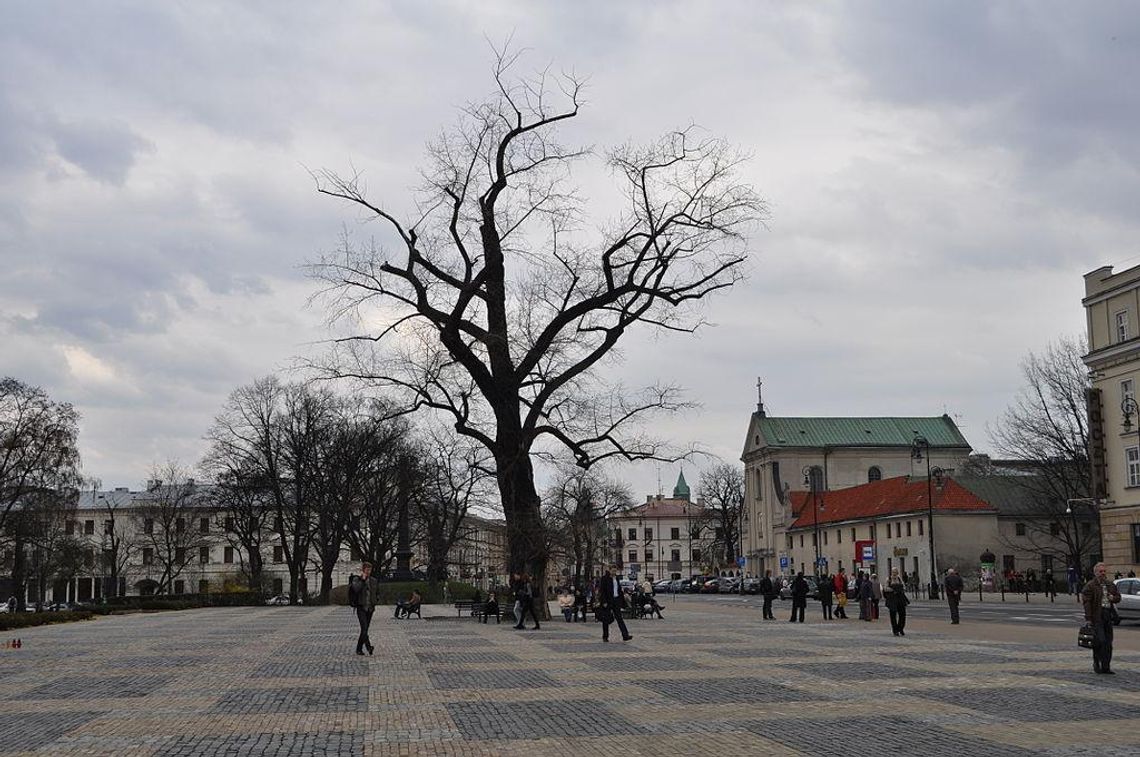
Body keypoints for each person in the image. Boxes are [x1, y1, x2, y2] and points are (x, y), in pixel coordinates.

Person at [1082, 562, 1122, 674]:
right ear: (1095, 573)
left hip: (1108, 615)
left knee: (1108, 642)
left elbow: (1118, 597)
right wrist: (1089, 618)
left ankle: (1106, 666)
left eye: (1104, 571)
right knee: (1100, 641)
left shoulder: (1110, 584)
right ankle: (1097, 663)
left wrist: (1113, 597)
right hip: (1097, 616)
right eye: (1100, 571)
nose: (1103, 573)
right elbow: (1087, 602)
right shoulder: (1090, 585)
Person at [348, 561, 379, 656]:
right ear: (363, 570)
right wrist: (362, 580)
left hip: (370, 608)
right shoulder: (357, 579)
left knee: (364, 630)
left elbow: (377, 592)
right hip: (361, 607)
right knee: (364, 628)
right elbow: (356, 589)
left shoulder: (374, 580)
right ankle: (369, 647)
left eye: (370, 569)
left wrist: (376, 599)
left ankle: (359, 649)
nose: (369, 571)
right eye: (367, 569)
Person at [598, 567, 632, 642]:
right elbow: (602, 591)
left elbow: (619, 590)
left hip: (616, 600)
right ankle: (605, 636)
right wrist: (604, 601)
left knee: (619, 618)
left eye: (615, 571)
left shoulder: (616, 578)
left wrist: (622, 602)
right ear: (609, 570)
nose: (614, 572)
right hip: (608, 600)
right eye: (613, 571)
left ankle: (625, 635)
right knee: (606, 619)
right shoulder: (604, 578)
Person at [884, 568, 909, 636]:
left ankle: (900, 628)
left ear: (897, 573)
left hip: (900, 598)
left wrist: (901, 589)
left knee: (902, 615)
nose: (894, 574)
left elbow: (904, 587)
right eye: (893, 572)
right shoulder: (888, 579)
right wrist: (892, 590)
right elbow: (885, 588)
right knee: (893, 615)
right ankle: (895, 630)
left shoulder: (899, 579)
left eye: (895, 572)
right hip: (892, 599)